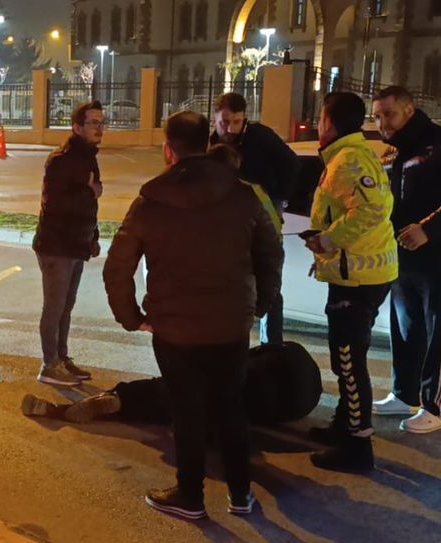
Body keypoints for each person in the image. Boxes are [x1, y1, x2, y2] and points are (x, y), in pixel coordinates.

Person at [103, 111, 283, 520]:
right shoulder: (243, 195)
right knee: (231, 406)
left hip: (174, 329)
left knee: (186, 411)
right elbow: (271, 254)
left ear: (169, 150)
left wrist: (133, 317)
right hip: (230, 325)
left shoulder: (151, 202)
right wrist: (258, 306)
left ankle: (190, 495)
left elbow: (117, 267)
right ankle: (241, 494)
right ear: (207, 144)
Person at [370, 86, 441, 434]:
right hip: (407, 253)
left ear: (409, 110)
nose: (382, 123)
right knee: (406, 326)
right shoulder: (394, 151)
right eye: (376, 116)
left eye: (388, 114)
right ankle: (404, 395)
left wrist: (429, 229)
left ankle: (435, 406)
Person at [305, 92, 398, 473]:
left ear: (329, 122)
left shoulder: (348, 160)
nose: (318, 125)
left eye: (321, 118)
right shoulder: (354, 154)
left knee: (348, 361)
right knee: (346, 356)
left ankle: (358, 447)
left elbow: (373, 209)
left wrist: (329, 240)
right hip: (362, 273)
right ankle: (344, 426)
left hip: (357, 277)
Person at [210, 92, 298, 345]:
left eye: (236, 122)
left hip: (263, 218)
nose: (230, 128)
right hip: (229, 226)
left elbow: (291, 163)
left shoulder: (259, 136)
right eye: (225, 122)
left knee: (268, 282)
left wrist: (281, 200)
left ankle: (272, 344)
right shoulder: (212, 143)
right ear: (215, 118)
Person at [32, 101, 105, 387]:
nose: (100, 128)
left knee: (66, 306)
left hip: (76, 244)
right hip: (56, 246)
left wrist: (93, 236)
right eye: (94, 123)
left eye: (102, 122)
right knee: (54, 307)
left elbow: (90, 203)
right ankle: (48, 365)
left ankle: (62, 358)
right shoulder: (60, 160)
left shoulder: (88, 158)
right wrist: (90, 191)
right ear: (77, 127)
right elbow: (56, 205)